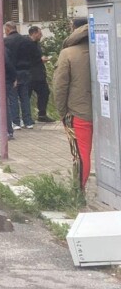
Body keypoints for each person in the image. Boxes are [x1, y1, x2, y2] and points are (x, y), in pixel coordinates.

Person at [54, 19, 92, 191]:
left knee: (81, 153)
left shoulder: (68, 53)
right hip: (109, 113)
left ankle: (79, 190)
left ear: (74, 30)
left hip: (79, 112)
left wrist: (62, 112)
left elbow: (60, 86)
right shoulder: (109, 46)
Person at [4, 21, 37, 129]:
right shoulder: (26, 40)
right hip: (26, 71)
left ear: (8, 29)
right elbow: (33, 56)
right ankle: (28, 121)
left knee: (13, 98)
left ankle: (16, 122)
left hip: (13, 72)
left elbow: (7, 59)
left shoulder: (6, 41)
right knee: (25, 97)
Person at [28, 26, 52, 122]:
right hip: (30, 74)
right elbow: (29, 59)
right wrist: (40, 60)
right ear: (33, 33)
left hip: (39, 74)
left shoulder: (37, 44)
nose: (41, 35)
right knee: (27, 96)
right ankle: (26, 116)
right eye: (39, 33)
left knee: (45, 92)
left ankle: (42, 114)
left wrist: (41, 58)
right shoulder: (27, 44)